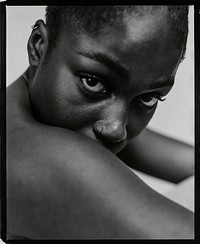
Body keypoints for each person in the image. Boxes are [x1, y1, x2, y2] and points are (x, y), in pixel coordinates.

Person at [7, 5, 194, 239]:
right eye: (93, 83)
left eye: (148, 98)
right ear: (38, 46)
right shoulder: (36, 157)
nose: (117, 129)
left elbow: (188, 162)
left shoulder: (61, 120)